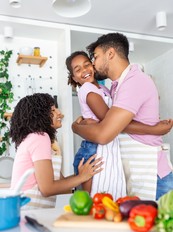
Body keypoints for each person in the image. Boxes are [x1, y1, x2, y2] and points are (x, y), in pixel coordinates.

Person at [72, 32, 173, 201]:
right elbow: (114, 123)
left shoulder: (134, 81)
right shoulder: (116, 86)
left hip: (152, 174)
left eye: (95, 57)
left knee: (159, 226)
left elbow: (104, 134)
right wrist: (152, 129)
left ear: (110, 54)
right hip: (136, 170)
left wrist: (75, 127)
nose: (94, 64)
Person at [10, 93, 103, 209]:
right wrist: (81, 177)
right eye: (53, 110)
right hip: (26, 209)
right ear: (39, 115)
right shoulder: (40, 138)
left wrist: (80, 175)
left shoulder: (35, 138)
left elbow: (61, 183)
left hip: (22, 209)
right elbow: (47, 189)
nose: (59, 113)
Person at [66, 51, 126, 199]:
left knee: (98, 198)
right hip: (93, 150)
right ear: (74, 78)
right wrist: (152, 129)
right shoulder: (86, 89)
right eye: (78, 69)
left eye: (87, 64)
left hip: (101, 146)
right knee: (90, 199)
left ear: (92, 65)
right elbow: (110, 120)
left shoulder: (102, 89)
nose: (85, 70)